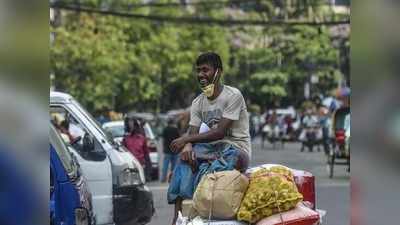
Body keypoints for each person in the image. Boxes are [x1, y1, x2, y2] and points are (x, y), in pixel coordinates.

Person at [167, 52, 251, 225]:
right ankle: (177, 218)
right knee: (183, 163)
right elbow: (193, 132)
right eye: (198, 71)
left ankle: (199, 211)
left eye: (205, 70)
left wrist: (185, 140)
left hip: (235, 149)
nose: (200, 75)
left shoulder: (233, 95)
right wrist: (187, 147)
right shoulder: (198, 102)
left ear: (218, 72)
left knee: (211, 168)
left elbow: (220, 132)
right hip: (210, 151)